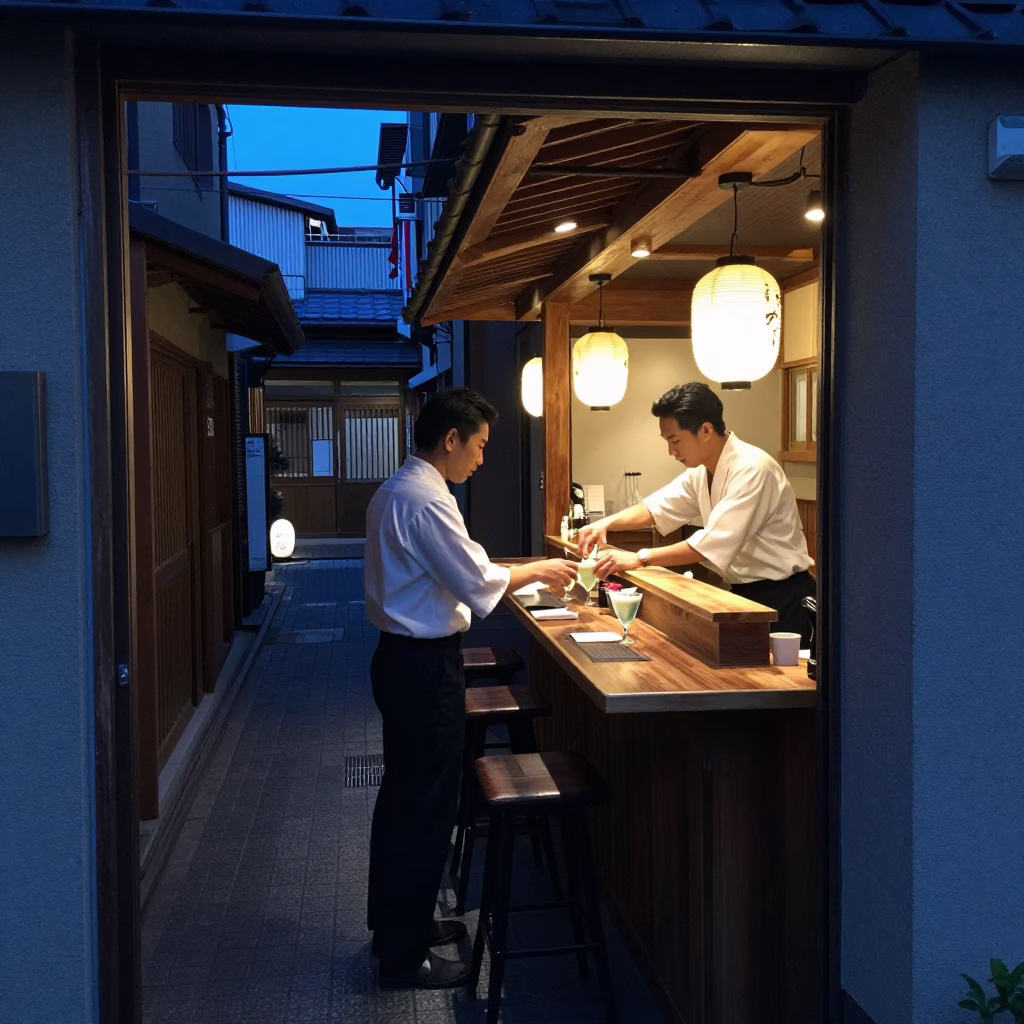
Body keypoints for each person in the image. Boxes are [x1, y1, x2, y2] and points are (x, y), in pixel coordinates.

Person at [363, 387, 577, 991]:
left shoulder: (401, 489)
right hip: (423, 666)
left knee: (406, 799)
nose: (481, 459)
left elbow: (467, 565)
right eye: (478, 446)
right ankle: (402, 959)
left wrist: (519, 568)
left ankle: (398, 927)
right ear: (451, 440)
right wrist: (540, 566)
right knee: (425, 807)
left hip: (404, 662)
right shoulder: (425, 499)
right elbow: (477, 578)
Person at [577, 382, 815, 643]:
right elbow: (656, 508)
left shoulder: (753, 468)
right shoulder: (701, 472)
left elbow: (709, 545)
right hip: (741, 594)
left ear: (705, 429)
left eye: (675, 440)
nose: (671, 451)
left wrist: (640, 557)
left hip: (785, 598)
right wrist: (606, 524)